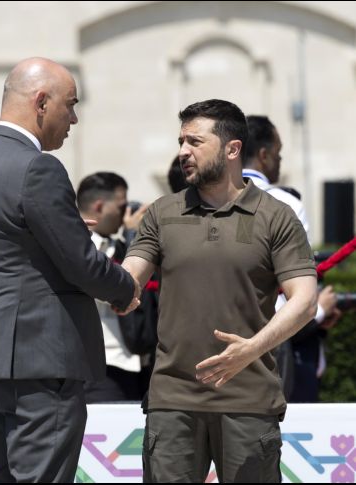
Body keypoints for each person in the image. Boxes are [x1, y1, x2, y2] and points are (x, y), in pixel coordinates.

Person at [0, 57, 139, 483]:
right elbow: (81, 263)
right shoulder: (39, 167)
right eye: (70, 105)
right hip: (42, 360)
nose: (73, 118)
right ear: (40, 102)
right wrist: (125, 289)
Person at [122, 99, 318, 483]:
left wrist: (251, 350)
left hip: (249, 400)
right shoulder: (162, 213)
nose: (183, 152)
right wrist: (81, 256)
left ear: (232, 149)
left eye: (195, 142)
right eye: (181, 141)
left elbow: (306, 300)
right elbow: (129, 281)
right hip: (172, 400)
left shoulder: (276, 215)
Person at [242, 114, 341, 402]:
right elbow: (295, 292)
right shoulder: (286, 203)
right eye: (278, 154)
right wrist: (319, 309)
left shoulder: (207, 200)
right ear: (263, 155)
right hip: (273, 342)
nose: (279, 161)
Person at [76, 172, 152, 401]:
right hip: (101, 368)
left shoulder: (115, 245)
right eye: (121, 207)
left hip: (132, 364)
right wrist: (131, 236)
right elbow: (107, 285)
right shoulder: (79, 245)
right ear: (99, 206)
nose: (125, 214)